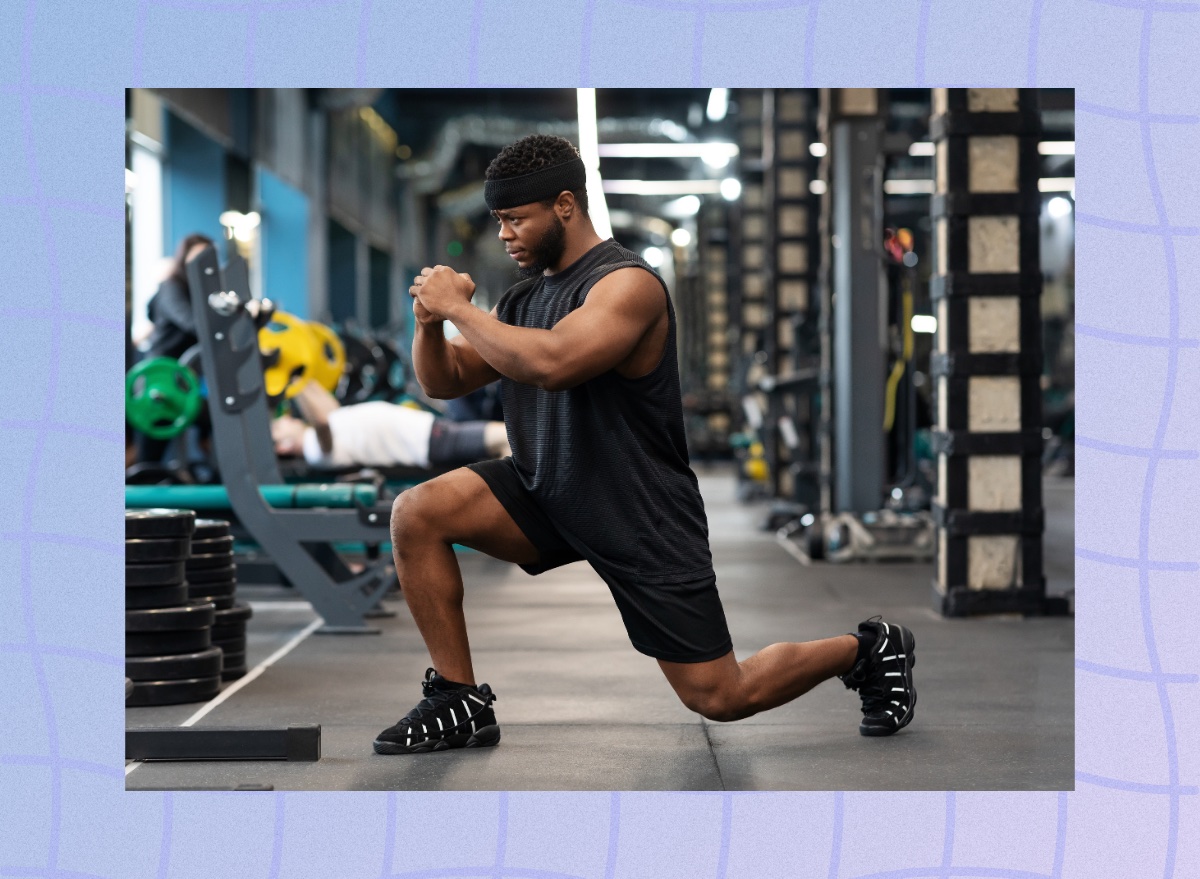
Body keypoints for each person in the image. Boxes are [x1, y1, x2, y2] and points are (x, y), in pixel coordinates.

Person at [374, 135, 916, 755]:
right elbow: (444, 381)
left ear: (565, 206)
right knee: (418, 512)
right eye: (499, 221)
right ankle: (457, 698)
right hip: (545, 490)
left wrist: (460, 310)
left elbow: (555, 363)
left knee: (721, 695)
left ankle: (869, 648)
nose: (504, 235)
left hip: (637, 510)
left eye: (516, 219)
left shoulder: (627, 286)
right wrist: (430, 324)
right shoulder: (523, 297)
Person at [271, 381, 510, 469]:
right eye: (278, 427)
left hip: (431, 433)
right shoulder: (314, 449)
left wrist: (300, 378)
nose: (285, 420)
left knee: (509, 439)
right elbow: (321, 421)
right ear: (283, 447)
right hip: (428, 441)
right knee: (509, 437)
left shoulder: (327, 428)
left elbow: (328, 407)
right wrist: (296, 388)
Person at [133, 233, 215, 465]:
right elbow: (191, 323)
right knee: (151, 455)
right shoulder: (172, 287)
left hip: (185, 377)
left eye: (209, 258)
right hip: (159, 378)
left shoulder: (204, 292)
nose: (203, 264)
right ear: (184, 259)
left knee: (212, 419)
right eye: (198, 257)